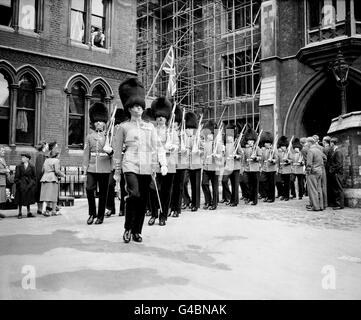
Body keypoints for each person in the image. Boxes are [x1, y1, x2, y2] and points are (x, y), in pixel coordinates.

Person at [113, 78, 167, 243]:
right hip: (129, 164)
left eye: (140, 106)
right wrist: (116, 171)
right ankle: (128, 227)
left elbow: (157, 146)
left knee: (143, 199)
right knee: (134, 194)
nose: (139, 108)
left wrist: (162, 162)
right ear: (129, 108)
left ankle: (137, 231)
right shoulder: (122, 127)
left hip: (146, 165)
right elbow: (117, 151)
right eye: (136, 106)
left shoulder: (149, 127)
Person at [148, 96, 178, 226]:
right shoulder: (151, 131)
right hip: (155, 163)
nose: (161, 118)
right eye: (159, 116)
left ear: (166, 118)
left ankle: (163, 215)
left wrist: (171, 146)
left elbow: (177, 145)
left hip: (169, 163)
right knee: (153, 190)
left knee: (166, 191)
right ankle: (154, 213)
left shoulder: (172, 131)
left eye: (163, 116)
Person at [83, 102, 113, 225]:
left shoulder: (109, 136)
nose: (99, 123)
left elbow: (114, 153)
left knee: (103, 193)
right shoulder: (89, 137)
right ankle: (92, 214)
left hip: (105, 168)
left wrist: (111, 151)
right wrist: (85, 169)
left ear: (105, 122)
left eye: (101, 121)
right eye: (96, 121)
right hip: (91, 167)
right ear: (93, 123)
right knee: (89, 189)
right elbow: (86, 154)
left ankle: (100, 216)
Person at [105, 108, 128, 217]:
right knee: (109, 185)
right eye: (116, 124)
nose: (117, 126)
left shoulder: (126, 132)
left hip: (124, 164)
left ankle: (123, 208)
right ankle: (110, 208)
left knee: (124, 187)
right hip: (113, 164)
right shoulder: (111, 134)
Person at [180, 112, 202, 212]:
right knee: (183, 182)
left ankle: (195, 204)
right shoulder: (182, 136)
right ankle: (186, 200)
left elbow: (204, 149)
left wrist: (198, 151)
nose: (189, 130)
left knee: (195, 184)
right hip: (185, 163)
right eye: (187, 128)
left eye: (191, 128)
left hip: (196, 163)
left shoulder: (198, 137)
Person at [201, 120, 222, 210]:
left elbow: (221, 155)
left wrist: (216, 155)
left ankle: (214, 203)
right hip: (206, 167)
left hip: (215, 167)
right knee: (204, 184)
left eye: (209, 134)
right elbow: (203, 155)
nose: (207, 136)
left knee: (214, 186)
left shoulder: (218, 144)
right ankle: (208, 201)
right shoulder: (205, 144)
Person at [40, 147, 65, 216]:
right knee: (53, 195)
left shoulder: (46, 160)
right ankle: (54, 211)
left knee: (45, 195)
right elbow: (57, 171)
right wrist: (63, 175)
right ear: (57, 154)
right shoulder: (56, 160)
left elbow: (42, 170)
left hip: (45, 178)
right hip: (52, 178)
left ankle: (43, 210)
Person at [222, 123, 242, 207]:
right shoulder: (225, 144)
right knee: (224, 181)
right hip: (228, 166)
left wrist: (236, 156)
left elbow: (241, 154)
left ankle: (235, 201)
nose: (229, 137)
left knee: (235, 185)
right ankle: (230, 197)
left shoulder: (236, 143)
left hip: (235, 166)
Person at [305, 137, 326, 211]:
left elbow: (309, 164)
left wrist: (308, 172)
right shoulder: (319, 150)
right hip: (319, 171)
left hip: (313, 172)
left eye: (306, 142)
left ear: (310, 143)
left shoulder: (310, 151)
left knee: (313, 189)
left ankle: (315, 207)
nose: (306, 144)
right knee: (319, 189)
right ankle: (321, 206)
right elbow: (325, 158)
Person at [243, 127, 262, 205]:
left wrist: (255, 158)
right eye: (249, 140)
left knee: (254, 185)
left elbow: (260, 157)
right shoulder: (246, 149)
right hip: (247, 169)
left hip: (255, 168)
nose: (250, 142)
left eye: (251, 140)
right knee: (247, 183)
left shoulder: (257, 148)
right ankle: (249, 198)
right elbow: (244, 159)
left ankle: (254, 200)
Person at [14, 153, 36, 219]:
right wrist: (19, 183)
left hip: (29, 185)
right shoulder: (19, 166)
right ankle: (20, 212)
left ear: (27, 159)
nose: (22, 158)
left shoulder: (32, 166)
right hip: (21, 185)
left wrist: (31, 183)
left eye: (24, 157)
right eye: (22, 157)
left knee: (28, 199)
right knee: (20, 199)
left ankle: (28, 212)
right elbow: (16, 177)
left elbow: (34, 177)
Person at [260, 132, 278, 203]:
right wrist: (261, 167)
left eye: (267, 143)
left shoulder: (273, 150)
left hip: (271, 169)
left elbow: (276, 159)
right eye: (265, 143)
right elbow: (262, 160)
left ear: (270, 143)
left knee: (271, 184)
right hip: (265, 168)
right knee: (264, 182)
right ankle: (266, 196)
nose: (265, 144)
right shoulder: (264, 150)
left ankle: (271, 198)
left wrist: (272, 160)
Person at [329, 137, 344, 210]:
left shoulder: (338, 152)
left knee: (339, 188)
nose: (330, 144)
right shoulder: (336, 151)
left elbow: (339, 164)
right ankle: (337, 203)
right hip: (336, 173)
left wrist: (332, 170)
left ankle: (340, 204)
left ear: (332, 143)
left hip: (337, 173)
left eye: (330, 143)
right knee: (336, 188)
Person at [34, 140, 48, 214]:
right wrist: (43, 177)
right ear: (44, 146)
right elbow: (40, 169)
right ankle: (40, 209)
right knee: (40, 192)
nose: (47, 146)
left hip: (40, 177)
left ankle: (40, 208)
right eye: (46, 145)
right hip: (40, 177)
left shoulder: (41, 154)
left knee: (40, 192)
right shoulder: (41, 155)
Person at [277, 136, 293, 201]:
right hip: (281, 170)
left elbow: (291, 159)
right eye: (282, 146)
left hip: (287, 170)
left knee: (287, 184)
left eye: (284, 146)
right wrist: (277, 168)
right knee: (280, 183)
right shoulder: (279, 152)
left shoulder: (288, 152)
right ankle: (283, 194)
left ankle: (287, 196)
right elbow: (278, 161)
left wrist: (287, 161)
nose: (283, 147)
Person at [0, 147, 10, 218]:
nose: (4, 152)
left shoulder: (3, 159)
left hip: (2, 180)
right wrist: (6, 170)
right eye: (2, 151)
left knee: (1, 197)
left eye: (4, 151)